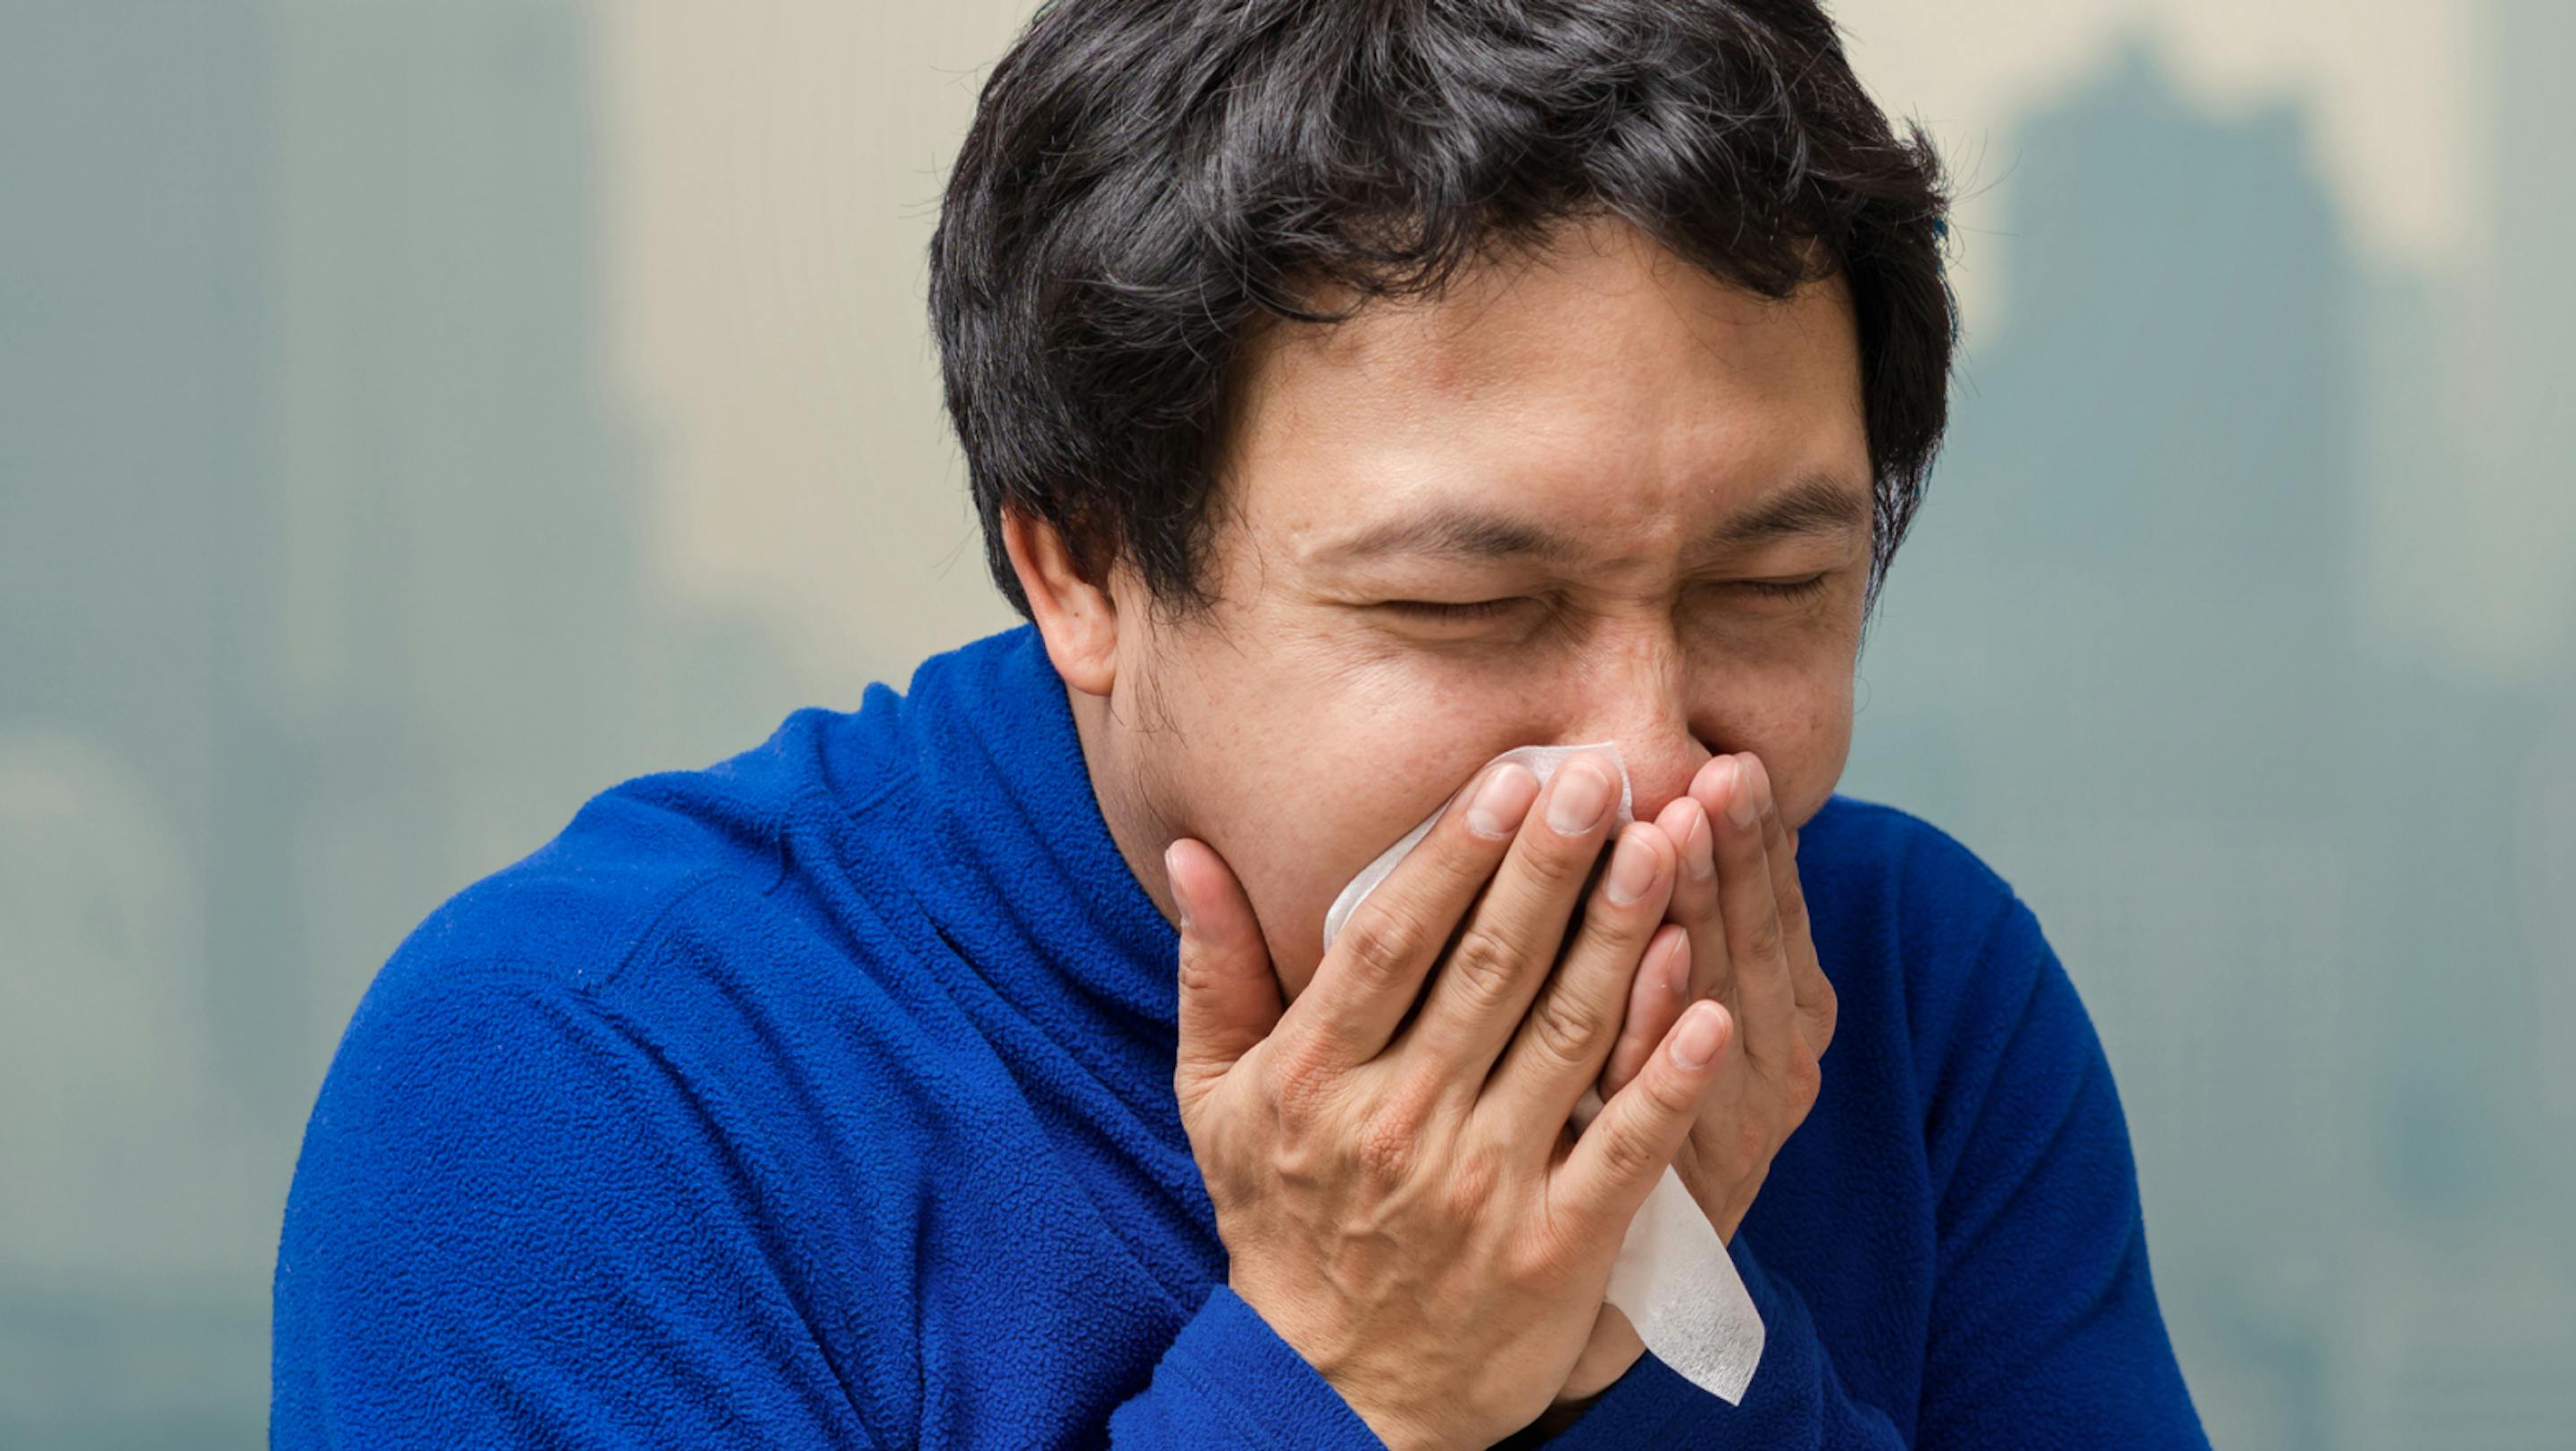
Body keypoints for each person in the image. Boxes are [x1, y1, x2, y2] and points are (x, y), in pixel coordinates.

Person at [270, 0, 2212, 1446]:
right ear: (1084, 567)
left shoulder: (1913, 998)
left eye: (1770, 592)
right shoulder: (590, 1094)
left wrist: (1646, 1332)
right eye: (1470, 607)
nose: (1648, 760)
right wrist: (1354, 1377)